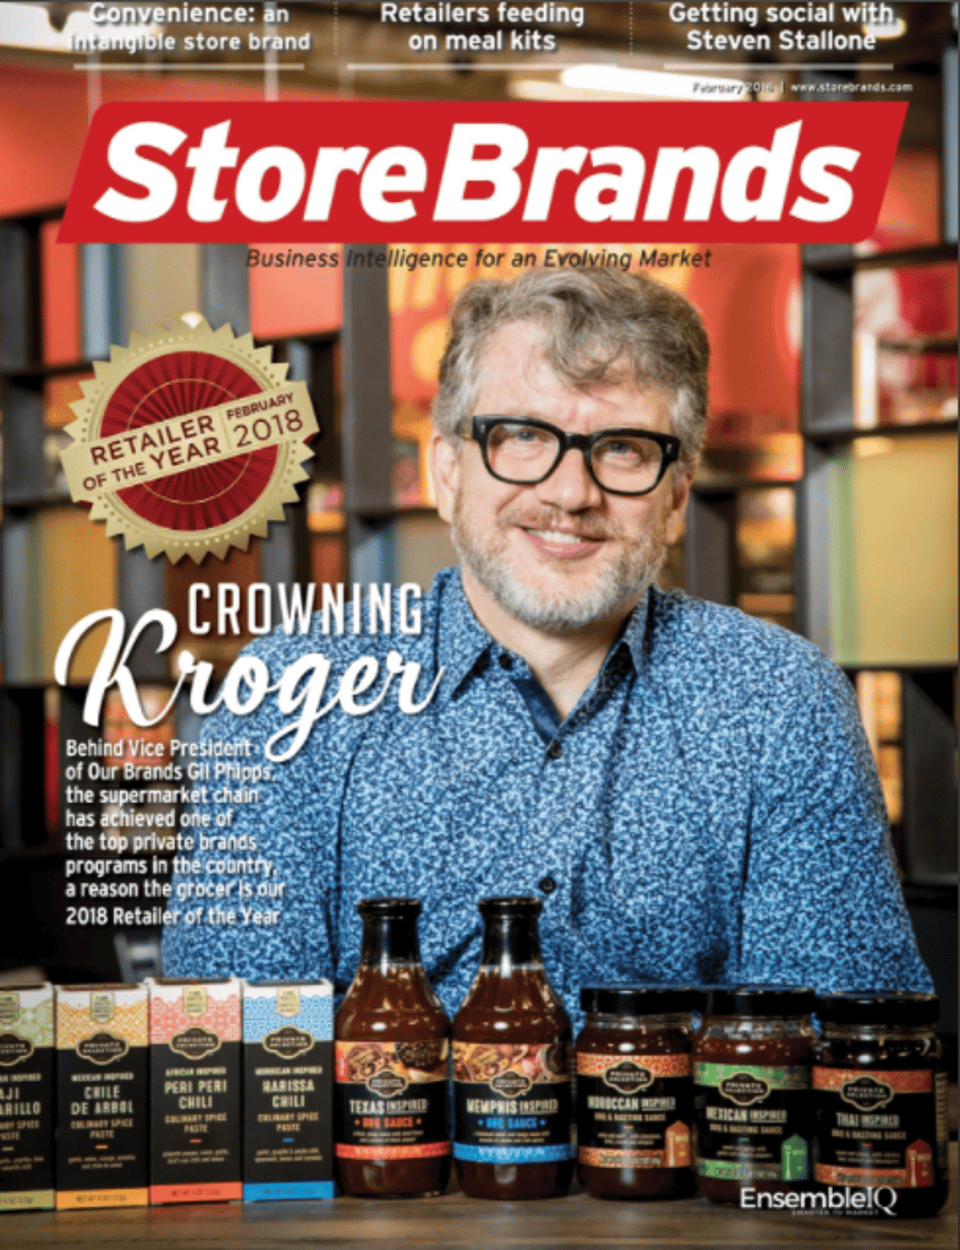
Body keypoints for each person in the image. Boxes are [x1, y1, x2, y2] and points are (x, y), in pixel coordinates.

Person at [164, 267, 932, 1022]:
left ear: (677, 495)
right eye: (524, 436)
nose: (570, 492)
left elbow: (847, 1048)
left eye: (625, 448)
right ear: (446, 471)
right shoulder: (294, 689)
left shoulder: (779, 700)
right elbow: (231, 1045)